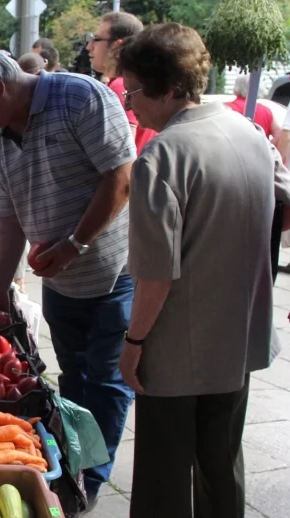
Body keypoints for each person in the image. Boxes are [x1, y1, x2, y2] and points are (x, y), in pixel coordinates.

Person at [0, 46, 136, 505]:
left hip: (114, 272)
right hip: (61, 281)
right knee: (72, 377)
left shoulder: (80, 98)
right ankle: (73, 464)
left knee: (107, 381)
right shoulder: (2, 143)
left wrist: (75, 244)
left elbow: (122, 175)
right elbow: (8, 224)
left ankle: (90, 480)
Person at [116, 23, 290, 517]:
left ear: (167, 89)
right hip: (238, 339)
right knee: (220, 465)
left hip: (178, 347)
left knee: (162, 476)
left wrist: (133, 344)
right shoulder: (252, 133)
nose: (130, 104)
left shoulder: (163, 155)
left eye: (133, 91)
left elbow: (156, 273)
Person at [88, 12, 156, 154]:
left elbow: (121, 151)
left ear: (117, 46)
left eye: (96, 39)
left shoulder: (121, 86)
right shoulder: (135, 83)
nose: (89, 46)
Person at [225, 75, 280, 140]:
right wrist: (269, 147)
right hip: (260, 149)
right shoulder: (266, 111)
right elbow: (279, 135)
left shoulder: (226, 108)